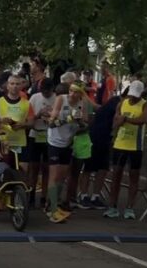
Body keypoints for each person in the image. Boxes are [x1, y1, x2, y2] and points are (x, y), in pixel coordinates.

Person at [104, 80, 147, 220]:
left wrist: (124, 119)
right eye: (132, 94)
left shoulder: (145, 105)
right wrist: (119, 122)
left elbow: (142, 120)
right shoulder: (122, 103)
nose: (133, 97)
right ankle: (112, 206)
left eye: (136, 95)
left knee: (133, 177)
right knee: (116, 175)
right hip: (120, 144)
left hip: (135, 146)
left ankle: (130, 208)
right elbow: (115, 122)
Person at [45, 81, 90, 223]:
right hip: (54, 142)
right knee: (54, 176)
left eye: (76, 92)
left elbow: (86, 125)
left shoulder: (82, 104)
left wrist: (79, 122)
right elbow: (51, 122)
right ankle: (52, 210)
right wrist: (66, 119)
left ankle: (53, 204)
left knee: (62, 177)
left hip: (67, 143)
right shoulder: (61, 99)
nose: (72, 94)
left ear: (80, 94)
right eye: (71, 90)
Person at [24, 75, 55, 209]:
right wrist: (38, 114)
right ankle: (30, 196)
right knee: (33, 167)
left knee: (47, 168)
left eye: (47, 91)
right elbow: (28, 117)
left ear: (51, 90)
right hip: (35, 134)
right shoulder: (35, 98)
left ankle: (44, 197)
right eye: (42, 90)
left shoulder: (56, 98)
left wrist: (51, 115)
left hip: (49, 135)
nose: (44, 93)